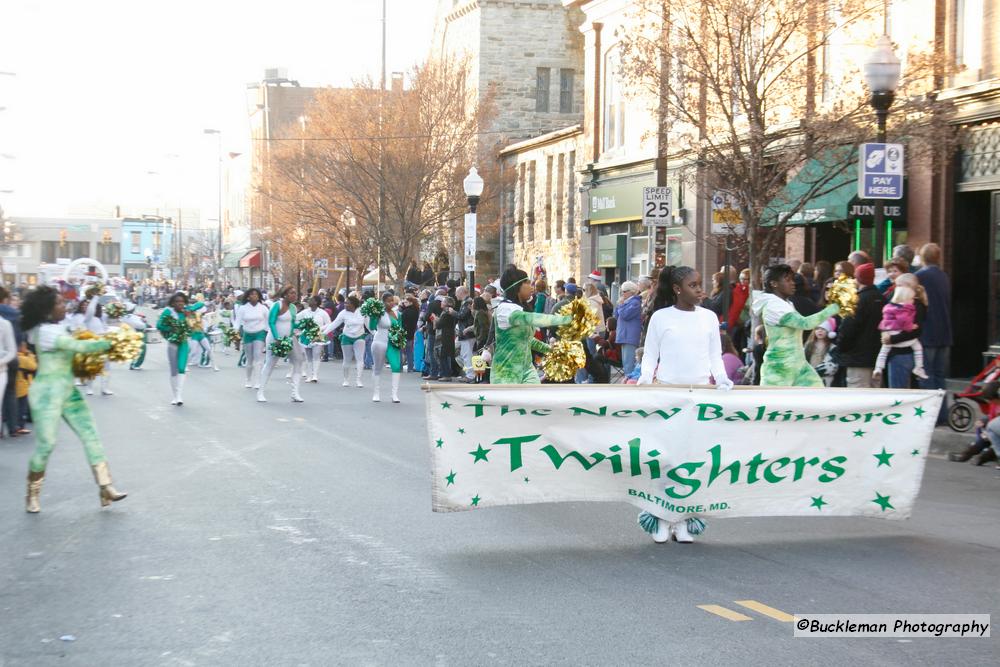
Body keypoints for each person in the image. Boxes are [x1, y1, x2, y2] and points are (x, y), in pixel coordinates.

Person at [638, 265, 732, 543]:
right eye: (693, 285)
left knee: (693, 460)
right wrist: (645, 379)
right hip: (669, 394)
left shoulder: (709, 318)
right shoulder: (660, 317)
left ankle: (684, 520)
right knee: (667, 460)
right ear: (678, 289)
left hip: (700, 396)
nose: (700, 290)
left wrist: (723, 378)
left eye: (700, 284)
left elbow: (716, 355)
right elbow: (650, 355)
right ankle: (660, 518)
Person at [20, 285, 126, 512]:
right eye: (59, 303)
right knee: (47, 444)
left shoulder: (60, 326)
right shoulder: (45, 332)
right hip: (46, 395)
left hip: (68, 391)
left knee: (91, 435)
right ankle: (32, 494)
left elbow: (76, 340)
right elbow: (75, 346)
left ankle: (105, 486)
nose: (64, 305)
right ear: (47, 311)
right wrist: (108, 343)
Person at [750, 264, 840, 387]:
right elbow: (805, 323)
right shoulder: (773, 305)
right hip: (779, 367)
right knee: (776, 405)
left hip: (798, 364)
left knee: (818, 399)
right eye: (787, 280)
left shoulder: (786, 303)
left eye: (792, 279)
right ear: (774, 284)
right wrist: (835, 307)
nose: (793, 283)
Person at [490, 266, 571, 384]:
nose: (532, 287)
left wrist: (551, 350)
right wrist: (567, 319)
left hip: (527, 370)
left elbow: (527, 340)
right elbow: (534, 319)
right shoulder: (505, 310)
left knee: (536, 400)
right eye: (527, 283)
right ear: (517, 287)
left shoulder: (520, 308)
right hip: (506, 373)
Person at [915, 243, 952, 417]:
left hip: (928, 332)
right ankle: (942, 413)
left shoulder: (920, 276)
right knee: (939, 376)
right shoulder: (943, 276)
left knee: (926, 375)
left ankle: (930, 415)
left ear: (922, 257)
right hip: (944, 332)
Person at [837, 263, 884, 388]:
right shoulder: (881, 298)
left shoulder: (857, 300)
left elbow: (848, 329)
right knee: (875, 399)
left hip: (857, 359)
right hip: (877, 358)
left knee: (858, 397)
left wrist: (841, 347)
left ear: (858, 278)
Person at [872, 284, 929, 384]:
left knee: (883, 351)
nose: (913, 301)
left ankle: (878, 368)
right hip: (900, 340)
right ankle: (919, 367)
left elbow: (884, 321)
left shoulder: (888, 307)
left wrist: (884, 332)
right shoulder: (905, 308)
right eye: (912, 299)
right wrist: (911, 326)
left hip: (889, 331)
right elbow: (905, 322)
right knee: (918, 347)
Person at [258, 286, 305, 403]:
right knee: (270, 363)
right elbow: (271, 322)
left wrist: (305, 326)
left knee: (299, 361)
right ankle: (261, 392)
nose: (294, 295)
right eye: (291, 293)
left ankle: (295, 392)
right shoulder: (277, 305)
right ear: (285, 294)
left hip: (289, 338)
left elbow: (292, 324)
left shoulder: (293, 308)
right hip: (275, 339)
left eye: (295, 293)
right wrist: (277, 337)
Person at [156, 292, 193, 406]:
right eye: (177, 301)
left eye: (182, 301)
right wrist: (172, 328)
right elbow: (159, 325)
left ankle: (179, 395)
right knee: (173, 370)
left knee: (182, 368)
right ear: (173, 303)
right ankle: (175, 395)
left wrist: (188, 317)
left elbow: (191, 328)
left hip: (183, 343)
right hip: (172, 342)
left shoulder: (186, 312)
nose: (180, 304)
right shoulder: (168, 312)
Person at [323, 295, 367, 387]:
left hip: (359, 337)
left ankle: (359, 380)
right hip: (347, 336)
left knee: (360, 359)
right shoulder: (343, 313)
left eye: (348, 303)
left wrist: (375, 333)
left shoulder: (362, 312)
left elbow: (368, 325)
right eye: (345, 302)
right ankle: (346, 379)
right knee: (347, 360)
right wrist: (324, 333)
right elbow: (334, 323)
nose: (345, 304)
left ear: (354, 304)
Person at [368, 292, 403, 402]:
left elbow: (400, 329)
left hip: (393, 343)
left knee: (396, 366)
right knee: (378, 368)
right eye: (388, 301)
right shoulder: (379, 312)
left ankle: (394, 394)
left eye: (392, 300)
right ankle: (376, 393)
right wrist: (373, 316)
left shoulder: (398, 314)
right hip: (380, 341)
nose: (391, 303)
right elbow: (371, 327)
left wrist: (400, 341)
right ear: (383, 302)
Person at [235, 288, 269, 389]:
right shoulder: (243, 308)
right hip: (247, 334)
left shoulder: (263, 308)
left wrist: (268, 333)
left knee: (258, 357)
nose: (254, 296)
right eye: (252, 294)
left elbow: (268, 321)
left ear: (259, 296)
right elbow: (237, 322)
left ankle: (258, 381)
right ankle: (248, 379)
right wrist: (234, 333)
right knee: (250, 359)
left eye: (256, 294)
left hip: (260, 333)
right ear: (248, 296)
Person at [0, 286, 23, 437]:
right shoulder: (14, 313)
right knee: (11, 392)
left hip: (3, 365)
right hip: (9, 361)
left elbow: (11, 348)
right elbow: (20, 338)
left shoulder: (5, 323)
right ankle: (13, 426)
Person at [298, 295, 332, 383]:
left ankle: (315, 375)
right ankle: (309, 375)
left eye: (311, 300)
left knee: (316, 355)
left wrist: (320, 329)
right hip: (306, 335)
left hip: (318, 334)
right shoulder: (305, 312)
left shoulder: (322, 312)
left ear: (316, 302)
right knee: (308, 356)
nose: (309, 301)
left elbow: (329, 323)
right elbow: (296, 318)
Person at [613, 281, 643, 377]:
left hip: (630, 336)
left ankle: (630, 384)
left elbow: (625, 315)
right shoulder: (626, 302)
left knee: (629, 364)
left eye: (624, 291)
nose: (622, 293)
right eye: (622, 291)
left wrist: (621, 305)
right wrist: (619, 305)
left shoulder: (635, 302)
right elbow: (616, 315)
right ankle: (628, 382)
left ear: (632, 291)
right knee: (626, 363)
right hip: (624, 335)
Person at [804, 320, 838, 387]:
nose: (820, 331)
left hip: (825, 380)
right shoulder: (808, 345)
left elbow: (832, 366)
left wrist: (814, 372)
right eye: (817, 329)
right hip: (808, 379)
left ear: (829, 332)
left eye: (823, 329)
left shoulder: (833, 348)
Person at [435, 297, 458, 382]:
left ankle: (446, 374)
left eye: (443, 301)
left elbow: (439, 325)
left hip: (445, 336)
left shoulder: (446, 313)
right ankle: (445, 373)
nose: (441, 303)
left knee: (443, 355)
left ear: (447, 303)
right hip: (448, 335)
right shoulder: (447, 312)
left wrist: (436, 320)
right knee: (444, 356)